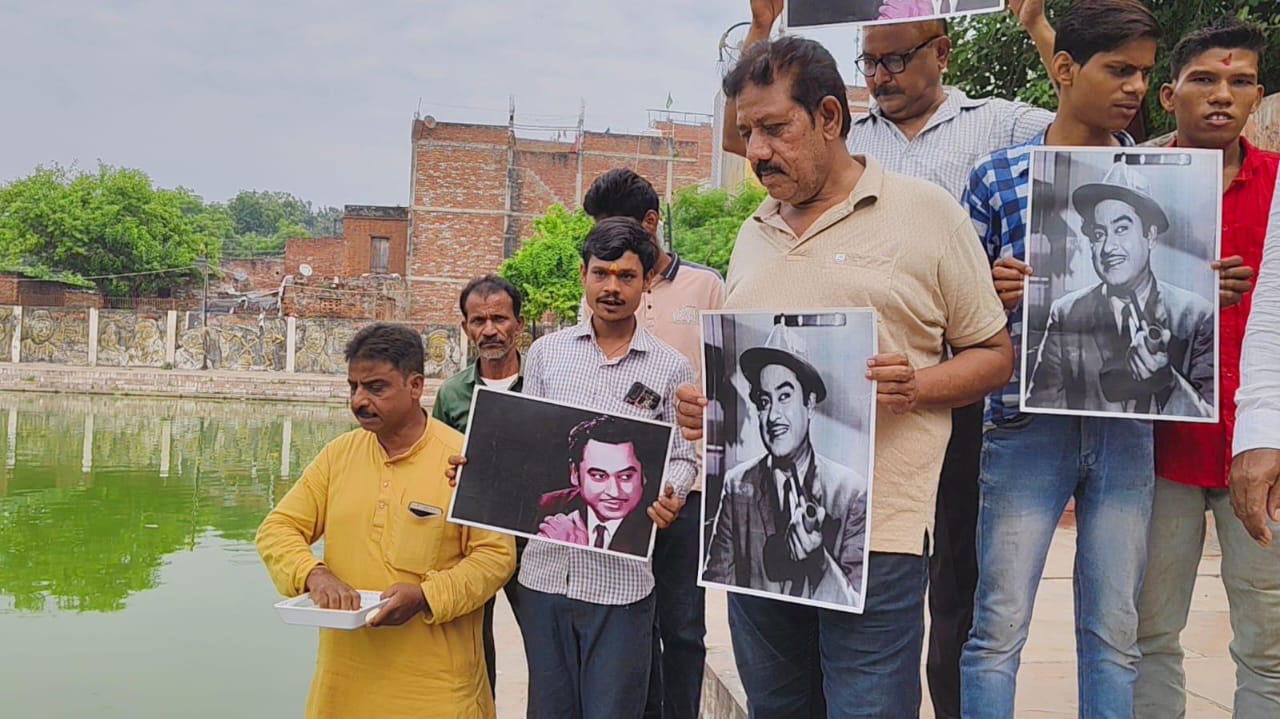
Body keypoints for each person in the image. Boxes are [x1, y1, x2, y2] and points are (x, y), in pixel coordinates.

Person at [722, 3, 1052, 714]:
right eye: (748, 133)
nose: (756, 152)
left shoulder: (928, 214)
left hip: (877, 537)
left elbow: (994, 355)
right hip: (754, 540)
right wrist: (707, 408)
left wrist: (919, 385)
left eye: (774, 128)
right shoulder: (751, 232)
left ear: (830, 117)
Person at [958, 2, 1168, 716]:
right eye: (1120, 70)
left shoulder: (1165, 177)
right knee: (998, 627)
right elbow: (956, 315)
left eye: (1144, 72)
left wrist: (1213, 287)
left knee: (1114, 632)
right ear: (1066, 69)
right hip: (1025, 420)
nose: (1136, 87)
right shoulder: (998, 176)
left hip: (1127, 423)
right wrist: (991, 290)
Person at [450, 217, 699, 719]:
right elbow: (530, 448)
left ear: (647, 281)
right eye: (601, 273)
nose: (612, 288)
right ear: (583, 275)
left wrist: (671, 491)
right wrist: (479, 470)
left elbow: (681, 455)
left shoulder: (671, 366)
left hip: (622, 582)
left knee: (614, 709)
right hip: (545, 577)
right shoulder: (548, 354)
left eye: (627, 276)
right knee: (550, 709)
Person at [256, 323, 516, 719]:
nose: (359, 400)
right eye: (353, 387)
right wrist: (314, 574)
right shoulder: (339, 455)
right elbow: (277, 529)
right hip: (342, 689)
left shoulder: (463, 459)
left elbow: (496, 558)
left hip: (437, 691)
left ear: (415, 386)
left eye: (376, 388)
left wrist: (426, 596)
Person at [1135, 18, 1280, 717]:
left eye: (1239, 81)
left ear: (1257, 96)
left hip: (1260, 448)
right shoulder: (1127, 183)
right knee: (1147, 633)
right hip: (1155, 448)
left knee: (1269, 644)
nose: (1222, 94)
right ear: (1169, 95)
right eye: (1204, 80)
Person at [580, 168, 723, 719]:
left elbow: (728, 377)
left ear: (651, 223)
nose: (612, 279)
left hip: (687, 489)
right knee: (627, 619)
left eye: (618, 229)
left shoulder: (707, 287)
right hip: (615, 492)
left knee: (683, 626)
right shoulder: (603, 290)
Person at [1025, 160, 1216, 417]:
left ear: (1150, 236)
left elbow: (1211, 416)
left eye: (1122, 229)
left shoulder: (1197, 315)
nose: (1108, 248)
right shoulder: (1066, 313)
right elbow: (1041, 408)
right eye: (1098, 234)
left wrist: (1167, 382)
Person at [702, 323, 867, 604]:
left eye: (785, 396)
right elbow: (717, 577)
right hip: (758, 621)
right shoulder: (737, 484)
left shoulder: (851, 492)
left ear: (810, 403)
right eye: (764, 401)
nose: (773, 415)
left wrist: (819, 561)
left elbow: (854, 600)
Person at [430, 274, 527, 697]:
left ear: (518, 324)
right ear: (465, 327)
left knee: (546, 646)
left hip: (533, 541)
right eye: (478, 321)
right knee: (472, 650)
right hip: (474, 541)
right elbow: (434, 467)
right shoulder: (452, 394)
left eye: (499, 319)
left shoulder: (544, 382)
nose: (490, 330)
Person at [536, 414, 658, 556]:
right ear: (575, 473)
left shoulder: (657, 521)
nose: (614, 492)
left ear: (644, 475)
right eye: (599, 476)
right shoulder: (546, 506)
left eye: (625, 477)